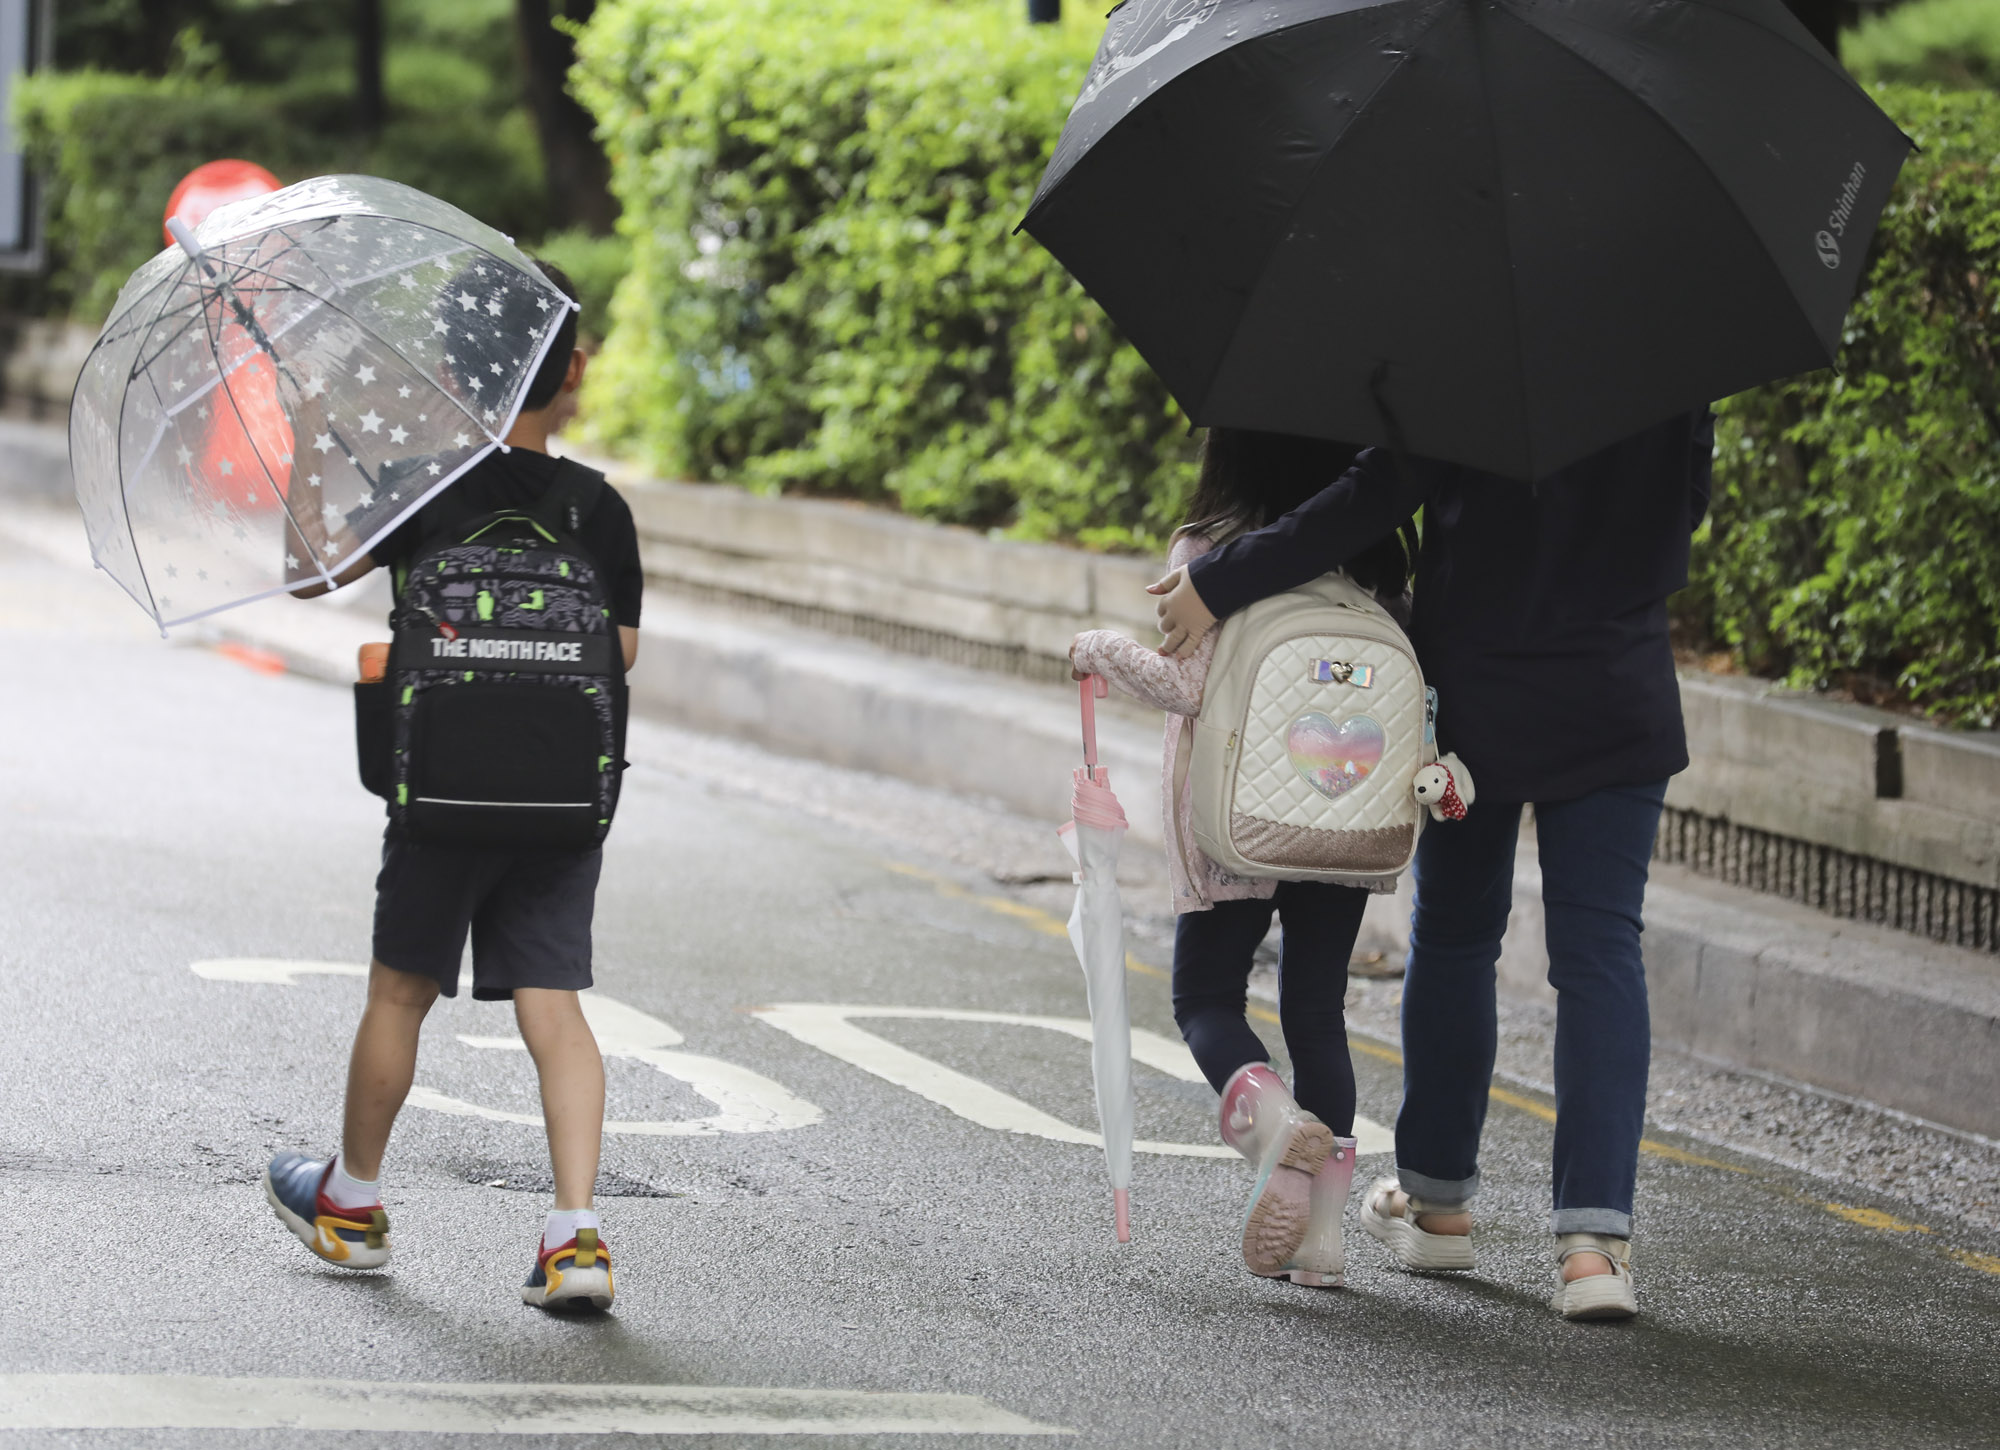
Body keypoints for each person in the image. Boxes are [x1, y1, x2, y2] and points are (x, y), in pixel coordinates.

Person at [1149, 412, 1714, 1321]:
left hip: (1478, 691)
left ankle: (1439, 1204)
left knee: (1455, 939)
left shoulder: (1475, 332)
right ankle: (1592, 1253)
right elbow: (1683, 509)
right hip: (1620, 687)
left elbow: (1375, 491)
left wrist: (1218, 578)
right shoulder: (1669, 347)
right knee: (1601, 953)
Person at [260, 260, 645, 1313]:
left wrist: (305, 431)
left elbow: (306, 571)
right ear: (573, 371)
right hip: (562, 806)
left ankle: (351, 1202)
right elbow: (618, 655)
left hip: (436, 797)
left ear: (445, 371)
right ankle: (574, 1239)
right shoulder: (597, 509)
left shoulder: (419, 487)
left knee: (399, 994)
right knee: (554, 1007)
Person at [1068, 428, 1411, 1287]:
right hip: (1342, 814)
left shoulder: (1211, 550)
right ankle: (1323, 1248)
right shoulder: (1379, 554)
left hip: (1233, 821)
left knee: (1207, 998)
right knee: (1317, 1010)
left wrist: (1098, 649)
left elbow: (1186, 685)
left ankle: (1271, 1121)